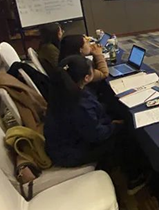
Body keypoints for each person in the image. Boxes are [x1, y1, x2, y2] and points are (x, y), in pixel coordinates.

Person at [44, 55, 147, 193]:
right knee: (126, 134)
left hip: (66, 142)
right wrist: (114, 126)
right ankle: (134, 178)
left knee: (115, 116)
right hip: (70, 152)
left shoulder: (63, 91)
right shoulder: (79, 105)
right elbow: (96, 135)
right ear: (87, 77)